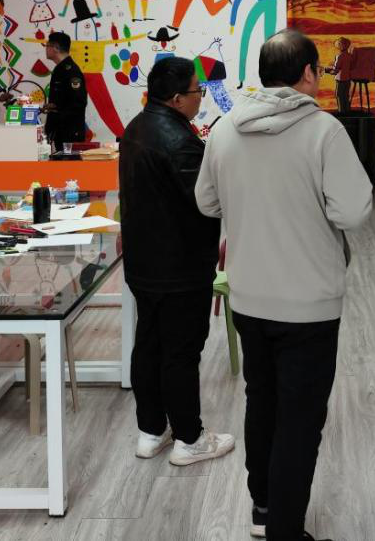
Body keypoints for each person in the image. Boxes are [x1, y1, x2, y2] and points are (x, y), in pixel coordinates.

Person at [195, 29, 373, 541]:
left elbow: (206, 202)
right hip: (310, 301)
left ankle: (264, 508)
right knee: (301, 418)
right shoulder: (324, 131)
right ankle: (286, 531)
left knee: (262, 401)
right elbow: (353, 211)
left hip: (249, 295)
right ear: (309, 73)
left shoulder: (225, 129)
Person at [119, 57, 235, 466]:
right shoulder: (179, 140)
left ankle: (151, 431)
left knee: (149, 345)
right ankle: (189, 438)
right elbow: (206, 201)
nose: (200, 98)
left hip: (143, 263)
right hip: (179, 266)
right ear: (176, 98)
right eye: (196, 91)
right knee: (181, 351)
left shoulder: (136, 128)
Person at [43, 31, 87, 150]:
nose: (45, 49)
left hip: (69, 133)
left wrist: (58, 113)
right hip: (60, 132)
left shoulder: (71, 71)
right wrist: (53, 106)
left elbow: (79, 103)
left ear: (56, 48)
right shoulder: (60, 69)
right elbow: (64, 99)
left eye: (47, 45)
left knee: (69, 163)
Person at [325, 37, 353, 114]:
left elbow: (336, 69)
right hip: (348, 78)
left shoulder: (339, 56)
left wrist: (329, 71)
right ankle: (347, 110)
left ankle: (341, 111)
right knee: (346, 95)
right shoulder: (350, 56)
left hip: (340, 79)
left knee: (339, 95)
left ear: (340, 46)